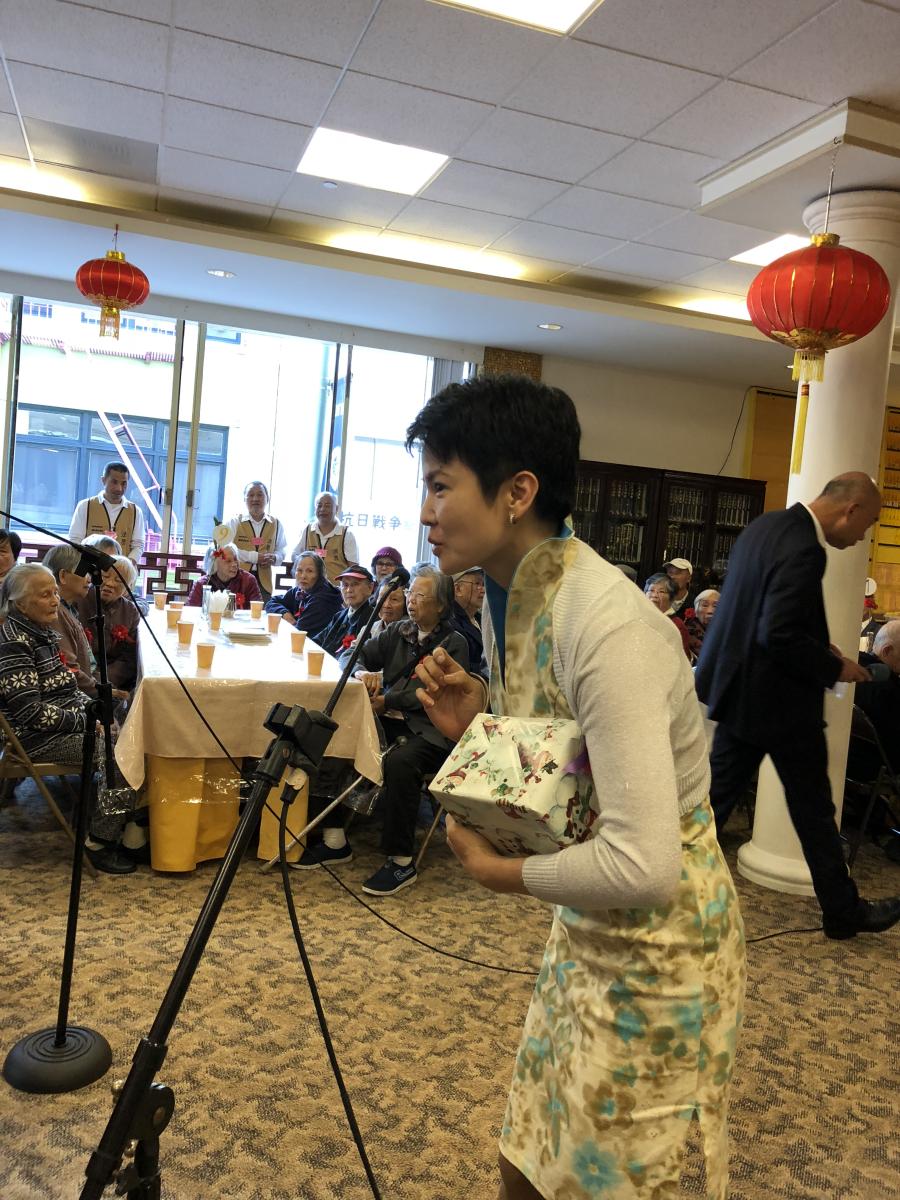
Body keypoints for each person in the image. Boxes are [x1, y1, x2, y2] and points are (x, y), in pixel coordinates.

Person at [407, 374, 744, 1200]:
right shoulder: (512, 593)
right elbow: (567, 760)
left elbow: (645, 864)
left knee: (603, 1183)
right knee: (529, 1158)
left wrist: (502, 873)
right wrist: (482, 722)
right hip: (586, 926)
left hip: (661, 948)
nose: (425, 512)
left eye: (441, 486)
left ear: (517, 492)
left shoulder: (607, 621)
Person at [695, 473, 900, 941]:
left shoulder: (765, 526)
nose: (864, 536)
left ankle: (659, 891)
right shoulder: (806, 548)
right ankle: (843, 912)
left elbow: (759, 613)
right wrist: (834, 668)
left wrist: (818, 647)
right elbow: (778, 633)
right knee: (810, 811)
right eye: (868, 523)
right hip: (780, 702)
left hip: (743, 692)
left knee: (719, 806)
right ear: (849, 510)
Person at [300, 565, 469, 896]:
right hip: (388, 721)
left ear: (441, 605)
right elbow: (351, 653)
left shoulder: (455, 643)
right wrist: (361, 672)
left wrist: (387, 699)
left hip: (431, 731)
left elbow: (433, 692)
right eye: (410, 594)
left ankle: (401, 860)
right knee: (335, 735)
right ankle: (334, 840)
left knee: (400, 762)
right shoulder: (399, 631)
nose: (411, 601)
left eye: (421, 596)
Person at [0, 563, 137, 874]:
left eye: (55, 593)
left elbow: (67, 687)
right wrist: (87, 722)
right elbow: (30, 713)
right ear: (20, 603)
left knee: (126, 717)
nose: (55, 601)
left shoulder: (40, 631)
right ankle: (100, 842)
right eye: (45, 595)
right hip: (32, 738)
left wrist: (97, 713)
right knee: (121, 757)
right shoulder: (15, 644)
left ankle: (128, 820)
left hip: (60, 721)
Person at [77, 555, 141, 693]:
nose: (110, 583)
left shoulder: (130, 611)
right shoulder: (80, 599)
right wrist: (92, 681)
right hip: (81, 675)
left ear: (128, 588)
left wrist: (106, 681)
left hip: (113, 679)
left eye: (119, 580)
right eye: (105, 576)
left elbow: (128, 659)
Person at [42, 544, 97, 697]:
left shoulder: (68, 608)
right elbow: (69, 667)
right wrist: (99, 691)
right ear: (63, 576)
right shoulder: (55, 612)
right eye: (84, 572)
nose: (89, 579)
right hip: (76, 695)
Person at [69, 461, 145, 563]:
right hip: (90, 568)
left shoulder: (136, 511)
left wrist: (127, 564)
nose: (119, 488)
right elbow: (75, 540)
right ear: (103, 480)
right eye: (114, 482)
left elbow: (138, 545)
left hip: (121, 569)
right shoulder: (85, 506)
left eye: (124, 483)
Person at [225, 481, 287, 602]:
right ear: (244, 499)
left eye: (260, 495)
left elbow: (282, 549)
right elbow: (227, 549)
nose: (255, 499)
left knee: (261, 612)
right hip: (236, 578)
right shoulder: (234, 522)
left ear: (267, 498)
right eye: (251, 495)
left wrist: (275, 558)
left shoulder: (276, 523)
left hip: (263, 582)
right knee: (233, 611)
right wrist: (253, 557)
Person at [264, 550, 343, 640]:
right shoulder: (302, 589)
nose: (303, 576)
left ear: (320, 574)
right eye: (299, 570)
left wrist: (289, 621)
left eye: (310, 571)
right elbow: (271, 602)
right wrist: (284, 613)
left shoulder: (322, 599)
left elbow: (298, 634)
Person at [291, 491, 358, 584]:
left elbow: (353, 567)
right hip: (308, 587)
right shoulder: (307, 530)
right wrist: (304, 563)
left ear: (336, 508)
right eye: (319, 506)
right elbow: (295, 555)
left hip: (335, 589)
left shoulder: (347, 534)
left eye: (327, 506)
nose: (322, 509)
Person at [316, 564, 375, 658]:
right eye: (345, 585)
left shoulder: (373, 620)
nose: (349, 590)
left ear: (370, 588)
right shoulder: (339, 616)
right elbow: (317, 641)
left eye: (355, 584)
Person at [186, 543, 262, 610]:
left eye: (235, 559)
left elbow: (258, 611)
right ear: (214, 564)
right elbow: (191, 612)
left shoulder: (248, 581)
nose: (234, 564)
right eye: (228, 561)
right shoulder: (202, 584)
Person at [644, 572, 691, 659]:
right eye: (651, 590)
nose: (654, 595)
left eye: (661, 591)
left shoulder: (677, 626)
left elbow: (680, 659)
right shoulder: (641, 619)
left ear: (671, 598)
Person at [451, 566, 486, 675]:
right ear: (458, 589)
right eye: (477, 584)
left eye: (483, 584)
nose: (483, 590)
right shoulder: (451, 623)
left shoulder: (481, 619)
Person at [683, 588, 720, 661]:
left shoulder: (726, 629)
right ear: (696, 610)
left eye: (715, 606)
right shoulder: (690, 631)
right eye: (705, 605)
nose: (710, 611)